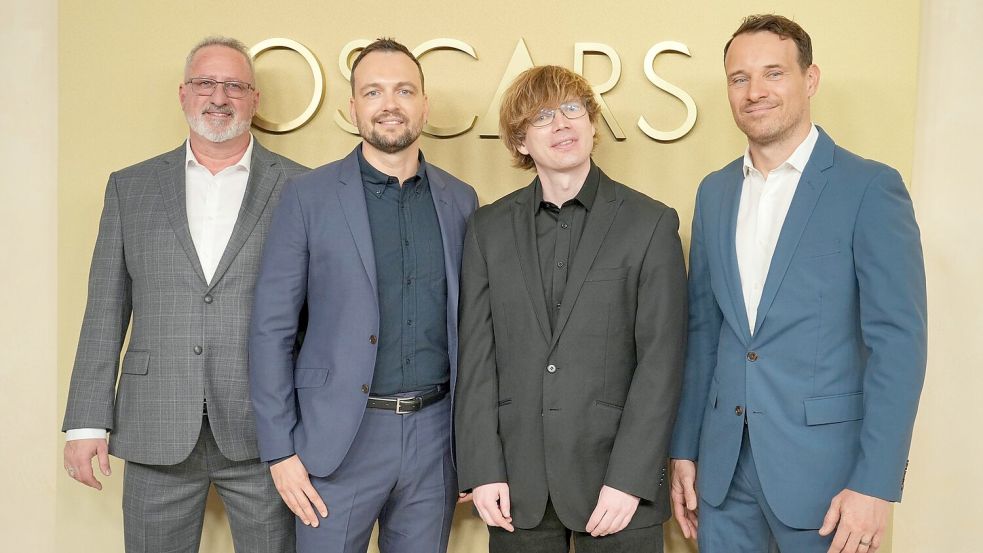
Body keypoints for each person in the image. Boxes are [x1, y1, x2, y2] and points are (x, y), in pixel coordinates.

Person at [669, 14, 927, 553]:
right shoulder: (714, 193)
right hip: (723, 479)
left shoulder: (870, 188)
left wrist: (875, 483)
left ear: (810, 80)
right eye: (739, 79)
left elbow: (898, 344)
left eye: (773, 74)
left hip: (828, 482)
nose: (755, 92)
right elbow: (703, 335)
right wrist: (684, 449)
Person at [61, 36, 308, 553]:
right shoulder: (131, 188)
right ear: (182, 93)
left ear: (254, 100)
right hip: (155, 424)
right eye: (205, 83)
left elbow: (319, 316)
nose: (219, 96)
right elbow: (104, 310)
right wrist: (86, 422)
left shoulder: (302, 188)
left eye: (235, 85)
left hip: (266, 432)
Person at [248, 38, 478, 553]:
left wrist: (476, 448)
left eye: (403, 90)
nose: (389, 104)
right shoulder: (308, 197)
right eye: (373, 91)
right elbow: (271, 330)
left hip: (436, 439)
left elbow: (474, 330)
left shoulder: (460, 201)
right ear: (352, 108)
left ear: (425, 105)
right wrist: (279, 452)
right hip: (335, 442)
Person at [455, 65, 687, 553]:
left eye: (572, 109)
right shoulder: (486, 230)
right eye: (542, 117)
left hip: (619, 488)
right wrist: (482, 469)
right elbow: (476, 358)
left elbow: (661, 362)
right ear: (520, 141)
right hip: (516, 487)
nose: (562, 124)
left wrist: (631, 478)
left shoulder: (650, 224)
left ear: (592, 123)